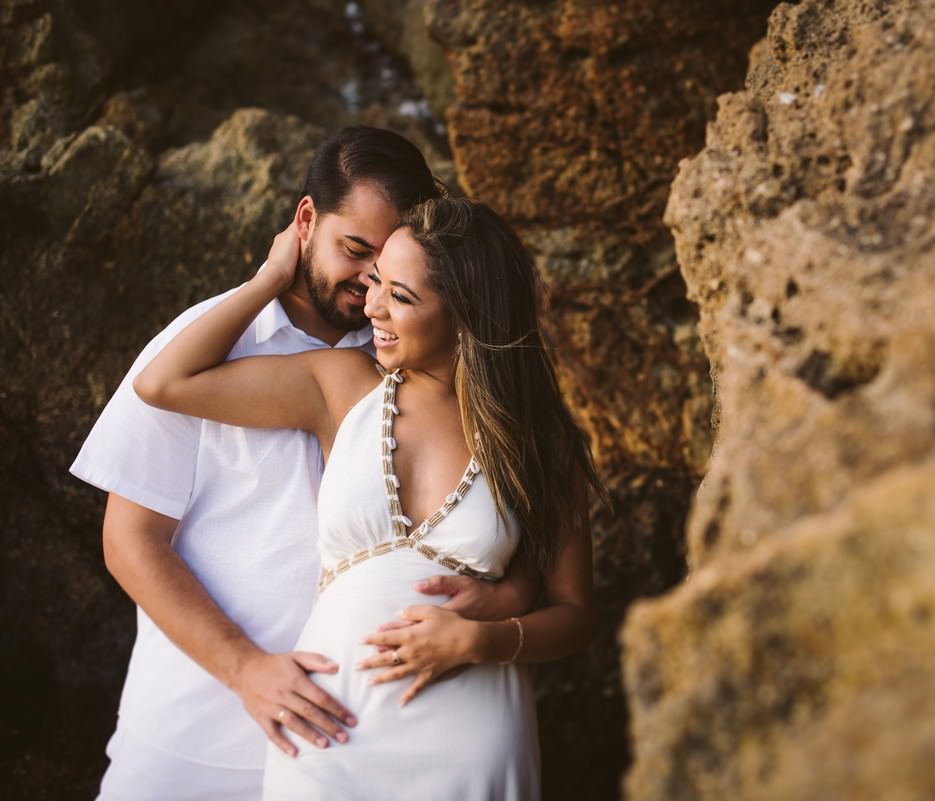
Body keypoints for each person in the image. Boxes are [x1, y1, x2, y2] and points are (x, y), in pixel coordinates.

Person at [70, 128, 535, 801]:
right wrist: (245, 669)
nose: (370, 282)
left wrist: (511, 597)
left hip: (354, 737)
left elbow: (501, 525)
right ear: (306, 220)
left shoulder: (412, 356)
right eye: (356, 250)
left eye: (387, 263)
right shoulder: (206, 344)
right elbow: (129, 541)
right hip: (191, 735)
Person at [133, 196, 600, 800]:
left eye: (400, 296)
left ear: (466, 314)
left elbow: (577, 615)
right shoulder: (341, 386)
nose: (372, 306)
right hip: (330, 727)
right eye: (376, 280)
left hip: (471, 735)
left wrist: (483, 640)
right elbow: (164, 383)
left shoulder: (541, 441)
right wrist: (269, 279)